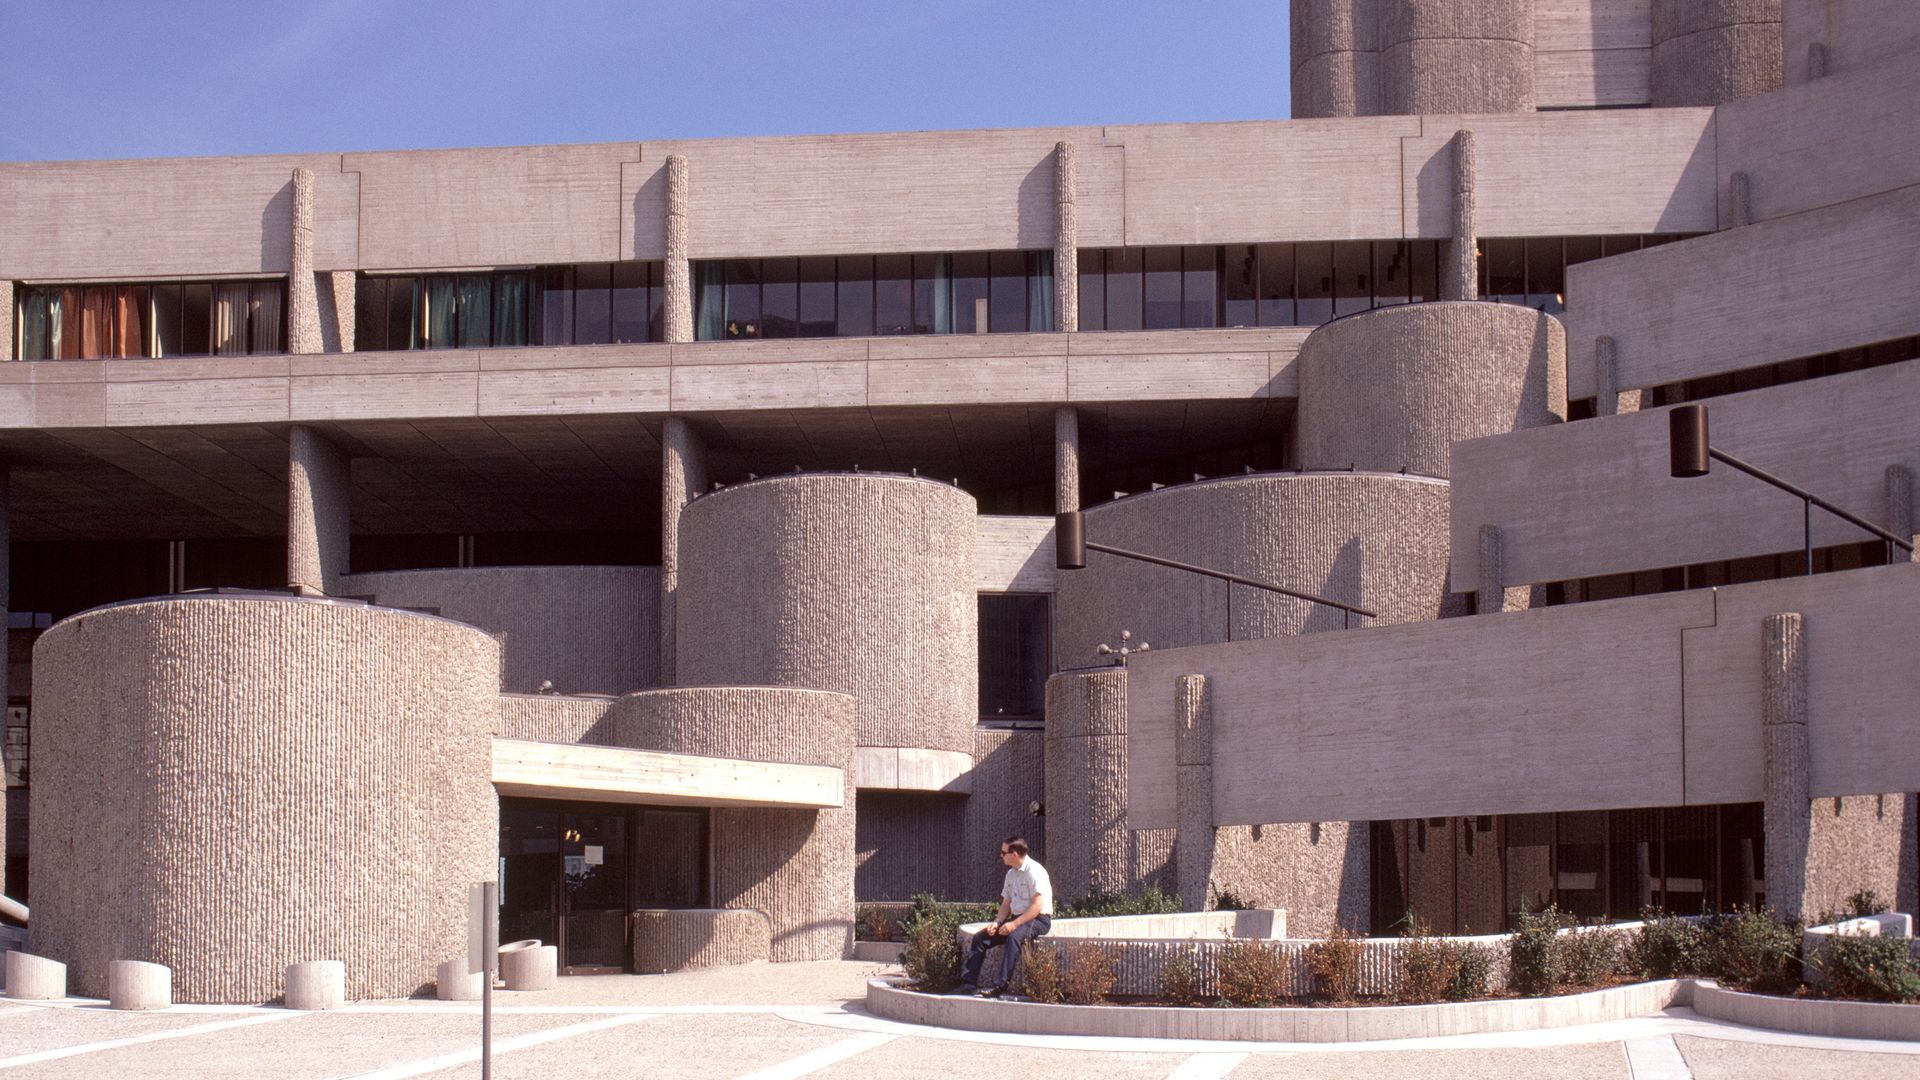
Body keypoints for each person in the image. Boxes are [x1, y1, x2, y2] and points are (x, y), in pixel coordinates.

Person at [957, 836, 1052, 997]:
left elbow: (1037, 906)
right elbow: (1006, 904)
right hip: (1018, 918)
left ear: (1014, 854)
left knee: (1013, 937)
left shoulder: (1035, 871)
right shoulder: (1010, 874)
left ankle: (999, 986)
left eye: (1003, 852)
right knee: (981, 938)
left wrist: (1014, 925)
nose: (1001, 856)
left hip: (1037, 919)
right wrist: (997, 922)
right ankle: (968, 983)